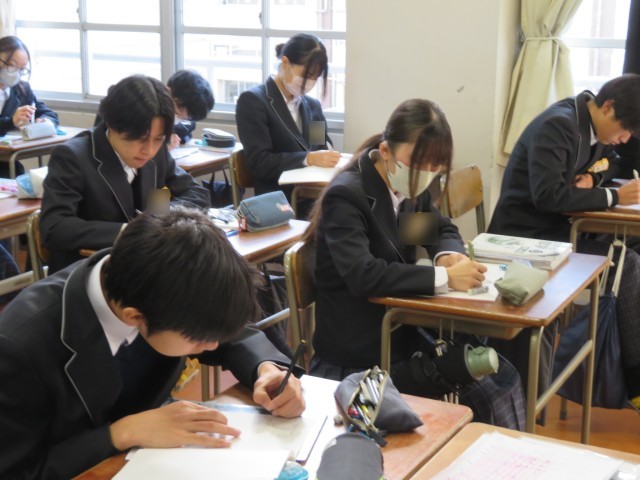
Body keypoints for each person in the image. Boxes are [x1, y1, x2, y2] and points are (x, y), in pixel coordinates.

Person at [0, 207, 305, 479]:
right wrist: (119, 433)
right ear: (135, 318)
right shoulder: (18, 347)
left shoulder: (152, 282)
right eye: (201, 340)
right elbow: (15, 470)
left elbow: (220, 327)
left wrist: (266, 368)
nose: (214, 345)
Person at [305, 98, 487, 378]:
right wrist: (445, 277)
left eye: (435, 165)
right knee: (476, 379)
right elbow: (364, 274)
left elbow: (440, 230)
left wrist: (449, 256)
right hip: (357, 357)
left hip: (400, 335)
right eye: (418, 162)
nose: (426, 172)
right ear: (385, 152)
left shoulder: (406, 190)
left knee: (494, 375)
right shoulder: (347, 197)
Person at [488, 73, 640, 407]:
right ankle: (634, 380)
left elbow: (611, 162)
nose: (625, 138)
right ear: (608, 106)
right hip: (525, 236)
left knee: (632, 252)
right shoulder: (558, 126)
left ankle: (629, 373)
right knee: (626, 263)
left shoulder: (591, 125)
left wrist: (592, 179)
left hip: (558, 231)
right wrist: (613, 197)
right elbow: (548, 196)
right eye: (625, 128)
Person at [40, 74, 210, 273]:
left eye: (158, 139)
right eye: (140, 138)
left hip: (145, 267)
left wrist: (158, 215)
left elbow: (197, 194)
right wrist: (128, 231)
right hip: (88, 272)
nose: (149, 150)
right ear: (113, 124)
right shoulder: (73, 157)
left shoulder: (157, 152)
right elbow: (55, 227)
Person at [235, 33, 341, 209]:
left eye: (315, 77)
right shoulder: (254, 101)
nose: (309, 83)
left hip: (312, 196)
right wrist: (308, 159)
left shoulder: (312, 105)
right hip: (278, 202)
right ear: (285, 63)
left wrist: (328, 156)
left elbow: (320, 145)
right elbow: (260, 162)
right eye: (305, 74)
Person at [0, 35, 59, 177]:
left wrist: (45, 121)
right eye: (12, 65)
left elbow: (48, 113)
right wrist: (11, 122)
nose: (16, 73)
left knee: (21, 175)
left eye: (22, 69)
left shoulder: (22, 90)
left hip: (5, 163)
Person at [167, 69, 215, 148]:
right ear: (168, 92)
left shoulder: (188, 114)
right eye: (177, 114)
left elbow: (187, 132)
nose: (177, 121)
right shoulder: (149, 112)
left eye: (185, 118)